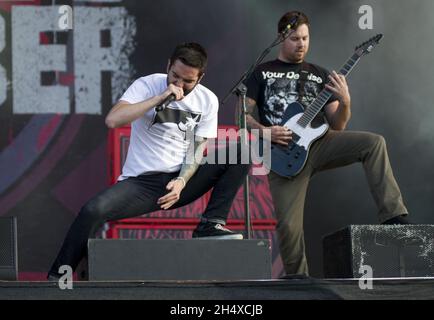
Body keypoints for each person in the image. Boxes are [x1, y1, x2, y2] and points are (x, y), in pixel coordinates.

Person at [48, 42, 250, 280]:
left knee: (241, 152)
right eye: (174, 76)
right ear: (168, 66)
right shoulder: (146, 85)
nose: (179, 85)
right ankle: (58, 277)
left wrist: (182, 181)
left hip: (181, 180)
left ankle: (210, 224)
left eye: (188, 81)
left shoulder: (208, 100)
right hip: (142, 183)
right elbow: (113, 120)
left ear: (200, 78)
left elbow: (197, 149)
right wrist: (159, 97)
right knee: (92, 210)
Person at [243, 11, 410, 276]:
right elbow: (243, 117)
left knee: (374, 143)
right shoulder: (260, 73)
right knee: (289, 227)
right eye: (295, 38)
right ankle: (298, 282)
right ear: (281, 37)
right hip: (281, 152)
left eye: (306, 38)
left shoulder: (320, 74)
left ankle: (393, 215)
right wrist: (265, 131)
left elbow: (339, 124)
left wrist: (345, 100)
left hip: (320, 144)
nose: (301, 44)